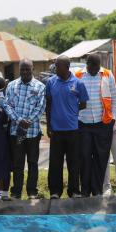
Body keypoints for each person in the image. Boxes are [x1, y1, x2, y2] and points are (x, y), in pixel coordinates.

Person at [75, 54, 116, 197]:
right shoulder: (78, 76)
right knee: (85, 157)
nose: (94, 69)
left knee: (101, 158)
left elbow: (114, 98)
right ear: (86, 64)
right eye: (91, 66)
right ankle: (85, 191)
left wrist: (112, 118)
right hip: (83, 124)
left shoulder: (107, 74)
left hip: (103, 124)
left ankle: (97, 190)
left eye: (97, 66)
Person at [46, 55, 89, 199]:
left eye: (58, 66)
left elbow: (83, 103)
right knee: (55, 163)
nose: (55, 68)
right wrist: (48, 126)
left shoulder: (78, 83)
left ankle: (74, 190)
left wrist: (72, 111)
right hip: (56, 130)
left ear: (66, 67)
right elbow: (48, 104)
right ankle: (55, 191)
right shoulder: (50, 82)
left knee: (74, 162)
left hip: (72, 129)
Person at [5, 59, 46, 199]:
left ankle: (32, 192)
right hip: (16, 132)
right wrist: (18, 120)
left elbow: (41, 107)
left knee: (33, 163)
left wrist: (28, 121)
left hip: (33, 132)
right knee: (17, 163)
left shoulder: (40, 86)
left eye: (27, 69)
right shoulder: (11, 85)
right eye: (22, 69)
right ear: (19, 70)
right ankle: (16, 192)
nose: (25, 72)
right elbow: (7, 105)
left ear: (32, 69)